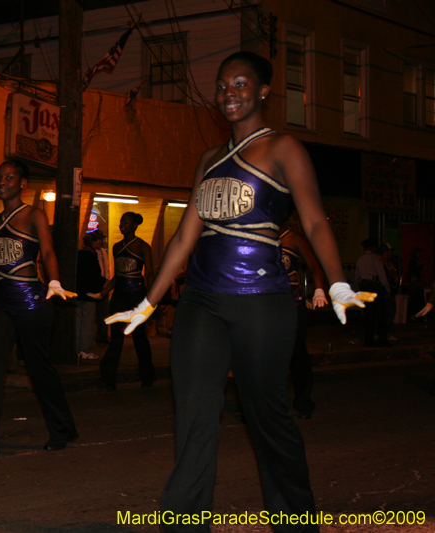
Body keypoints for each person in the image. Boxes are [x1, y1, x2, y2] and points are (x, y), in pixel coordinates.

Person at [107, 51, 373, 531]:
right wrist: (147, 301)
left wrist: (336, 282)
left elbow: (313, 219)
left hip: (262, 303)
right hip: (200, 303)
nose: (229, 93)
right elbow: (186, 236)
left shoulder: (283, 149)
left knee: (266, 415)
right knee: (193, 415)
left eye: (241, 84)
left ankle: (294, 521)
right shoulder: (208, 159)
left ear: (264, 91)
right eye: (223, 85)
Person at [0, 160, 79, 460]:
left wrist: (55, 280)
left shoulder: (34, 214)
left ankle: (62, 429)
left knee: (39, 369)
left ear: (23, 183)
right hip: (3, 304)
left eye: (9, 177)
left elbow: (47, 250)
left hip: (33, 301)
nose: (2, 182)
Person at [93, 212, 155, 391]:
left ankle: (147, 376)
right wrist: (103, 292)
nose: (122, 225)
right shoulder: (116, 246)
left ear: (135, 225)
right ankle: (107, 378)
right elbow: (117, 277)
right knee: (116, 338)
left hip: (137, 296)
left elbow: (149, 273)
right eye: (121, 222)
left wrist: (151, 298)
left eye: (126, 222)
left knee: (139, 338)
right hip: (119, 296)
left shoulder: (143, 246)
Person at [280, 227, 328, 419]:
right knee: (267, 356)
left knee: (297, 353)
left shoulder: (292, 237)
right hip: (266, 304)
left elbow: (314, 265)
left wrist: (318, 290)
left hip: (292, 304)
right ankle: (270, 407)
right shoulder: (258, 232)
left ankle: (304, 403)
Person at [75, 230, 106, 360]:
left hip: (78, 293)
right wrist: (102, 284)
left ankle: (77, 349)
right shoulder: (91, 256)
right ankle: (85, 350)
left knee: (77, 322)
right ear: (92, 242)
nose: (101, 242)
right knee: (87, 323)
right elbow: (94, 276)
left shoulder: (80, 254)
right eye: (98, 240)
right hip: (89, 294)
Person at [355, 238, 391, 347]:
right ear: (373, 248)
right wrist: (387, 288)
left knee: (369, 316)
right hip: (376, 289)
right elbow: (382, 275)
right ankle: (382, 339)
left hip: (365, 288)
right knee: (381, 316)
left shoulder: (360, 260)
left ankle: (368, 340)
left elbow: (357, 277)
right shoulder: (376, 259)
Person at [94, 233, 112, 344]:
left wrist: (107, 280)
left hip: (102, 284)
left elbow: (106, 266)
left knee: (104, 311)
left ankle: (102, 335)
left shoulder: (102, 251)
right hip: (95, 283)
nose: (100, 241)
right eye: (98, 239)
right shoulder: (92, 252)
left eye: (101, 239)